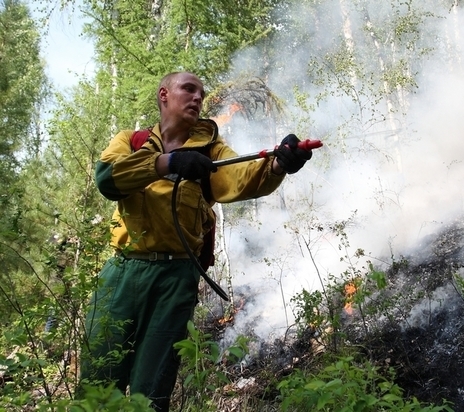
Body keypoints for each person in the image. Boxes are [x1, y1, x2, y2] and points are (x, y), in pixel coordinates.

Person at [80, 71, 312, 411]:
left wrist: (277, 164)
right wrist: (166, 163)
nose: (197, 98)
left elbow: (241, 177)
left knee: (152, 389)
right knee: (98, 380)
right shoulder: (130, 141)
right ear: (164, 95)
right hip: (122, 275)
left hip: (175, 279)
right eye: (188, 89)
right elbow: (108, 179)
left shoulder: (211, 150)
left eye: (200, 94)